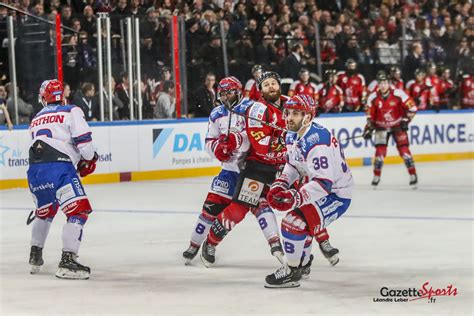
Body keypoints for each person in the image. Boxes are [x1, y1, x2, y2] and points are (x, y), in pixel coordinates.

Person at [182, 76, 281, 266]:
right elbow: (209, 142)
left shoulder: (253, 109)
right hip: (228, 171)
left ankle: (275, 243)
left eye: (230, 92)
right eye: (224, 93)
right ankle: (194, 244)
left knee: (255, 208)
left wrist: (238, 140)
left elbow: (259, 136)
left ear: (239, 91)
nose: (227, 96)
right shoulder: (216, 113)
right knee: (210, 208)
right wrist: (218, 149)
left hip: (252, 170)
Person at [264, 94, 354, 288]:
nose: (289, 117)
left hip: (336, 194)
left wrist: (295, 197)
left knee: (293, 223)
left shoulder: (317, 141)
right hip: (322, 188)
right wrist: (281, 183)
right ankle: (303, 265)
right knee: (300, 226)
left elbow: (324, 183)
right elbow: (294, 165)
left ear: (308, 117)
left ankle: (292, 271)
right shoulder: (291, 134)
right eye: (288, 112)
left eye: (296, 113)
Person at [27, 79, 98, 279]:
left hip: (35, 171)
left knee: (45, 212)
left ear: (43, 98)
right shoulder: (71, 110)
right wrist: (89, 158)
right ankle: (67, 261)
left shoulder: (35, 118)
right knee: (79, 211)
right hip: (59, 169)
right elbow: (86, 146)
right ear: (62, 95)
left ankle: (35, 255)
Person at [363, 72, 418, 188]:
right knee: (380, 154)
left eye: (385, 83)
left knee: (404, 152)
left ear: (389, 83)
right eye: (380, 83)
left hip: (397, 126)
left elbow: (413, 107)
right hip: (381, 127)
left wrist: (405, 120)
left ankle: (413, 174)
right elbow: (369, 116)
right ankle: (376, 176)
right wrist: (368, 128)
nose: (383, 85)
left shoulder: (399, 94)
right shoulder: (372, 98)